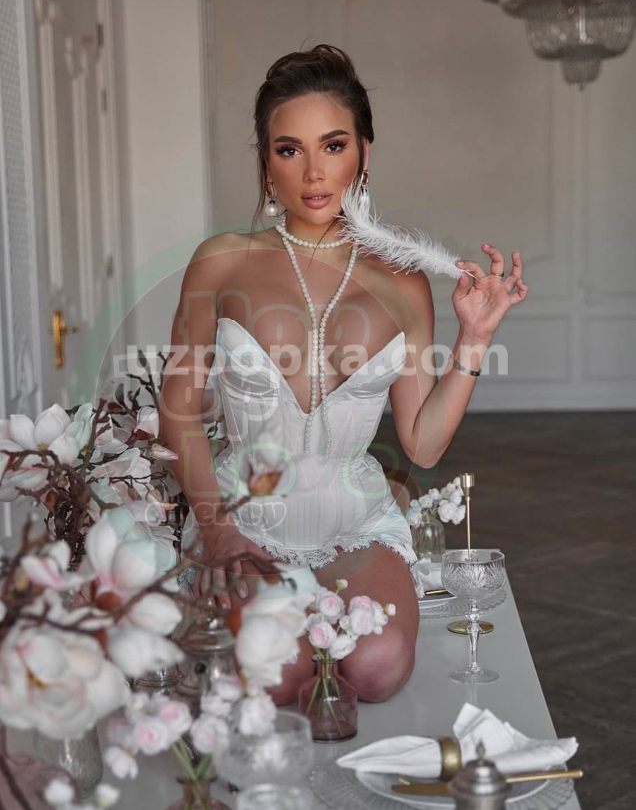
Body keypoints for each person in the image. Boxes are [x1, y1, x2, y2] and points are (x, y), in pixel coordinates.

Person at [159, 44, 528, 705]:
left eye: (333, 145)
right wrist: (216, 528)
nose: (313, 172)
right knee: (278, 672)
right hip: (244, 519)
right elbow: (180, 410)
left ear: (363, 153)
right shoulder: (222, 262)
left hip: (356, 522)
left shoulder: (404, 283)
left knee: (379, 668)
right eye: (289, 149)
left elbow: (422, 444)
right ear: (266, 163)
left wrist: (475, 339)